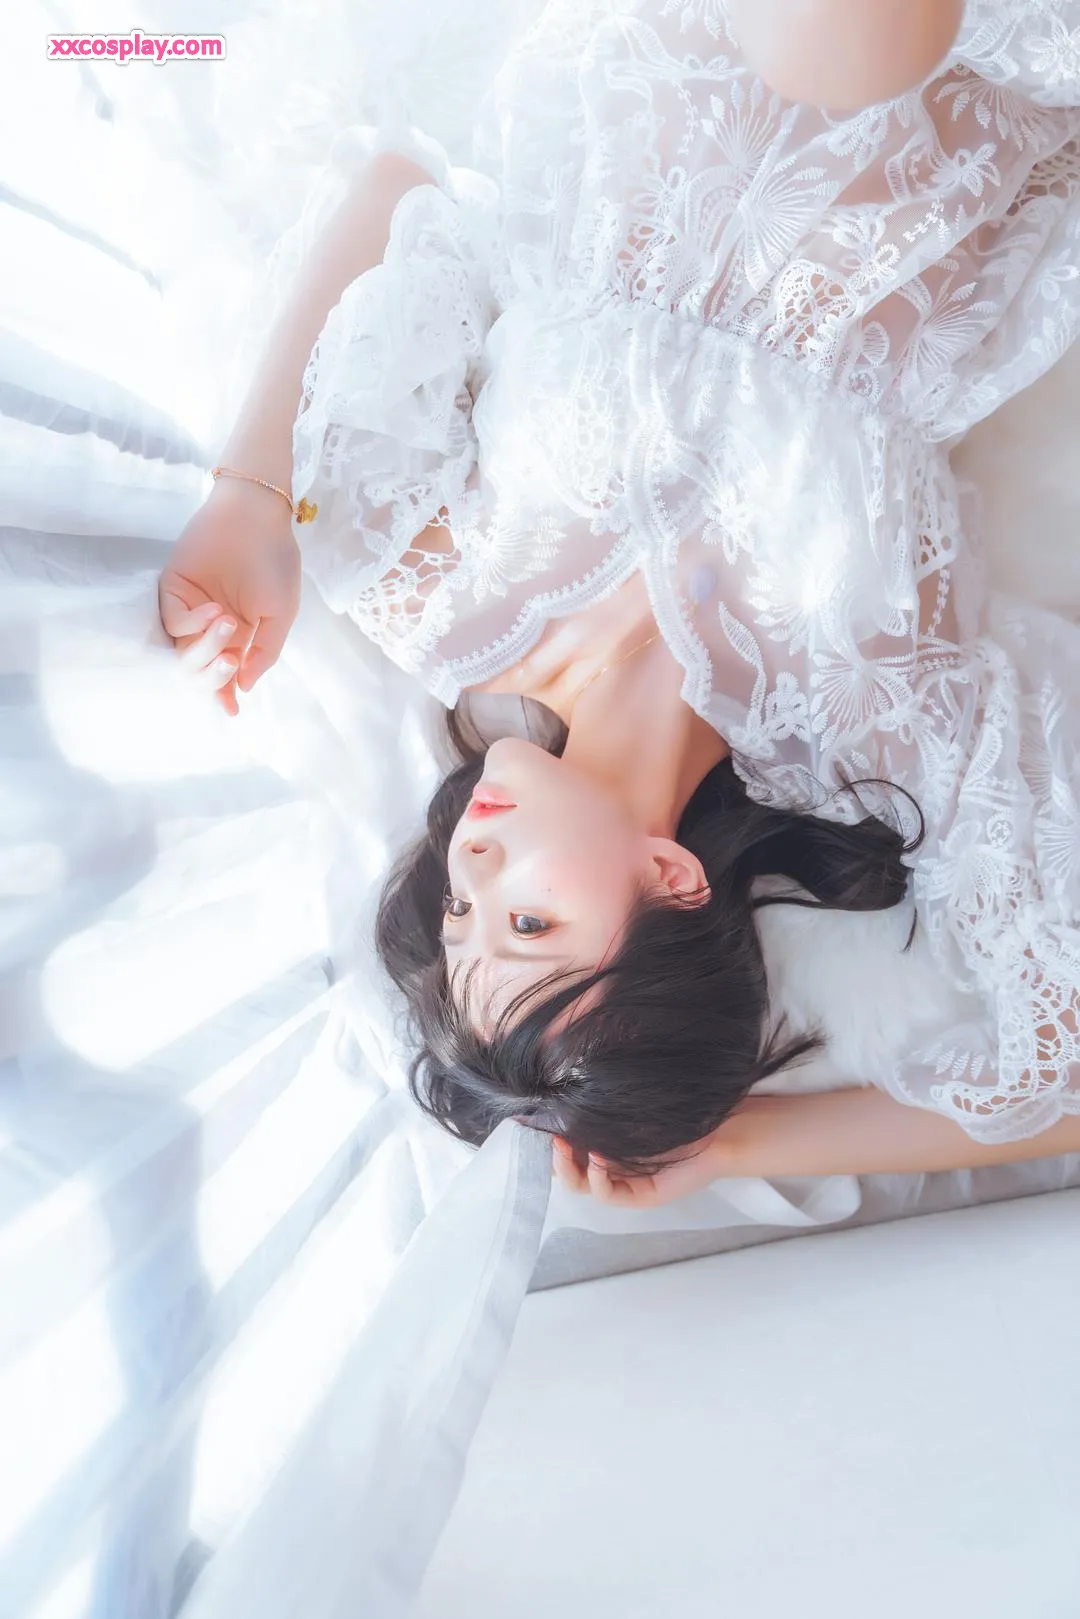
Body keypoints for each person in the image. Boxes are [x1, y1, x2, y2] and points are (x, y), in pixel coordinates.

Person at [160, 0, 1080, 1207]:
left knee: (837, 43)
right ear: (673, 878)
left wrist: (250, 495)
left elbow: (398, 191)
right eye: (529, 924)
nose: (474, 860)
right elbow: (1060, 1072)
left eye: (461, 910)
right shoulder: (869, 723)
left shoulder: (422, 585)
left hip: (709, 34)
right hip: (969, 59)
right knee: (863, 47)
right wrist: (735, 1144)